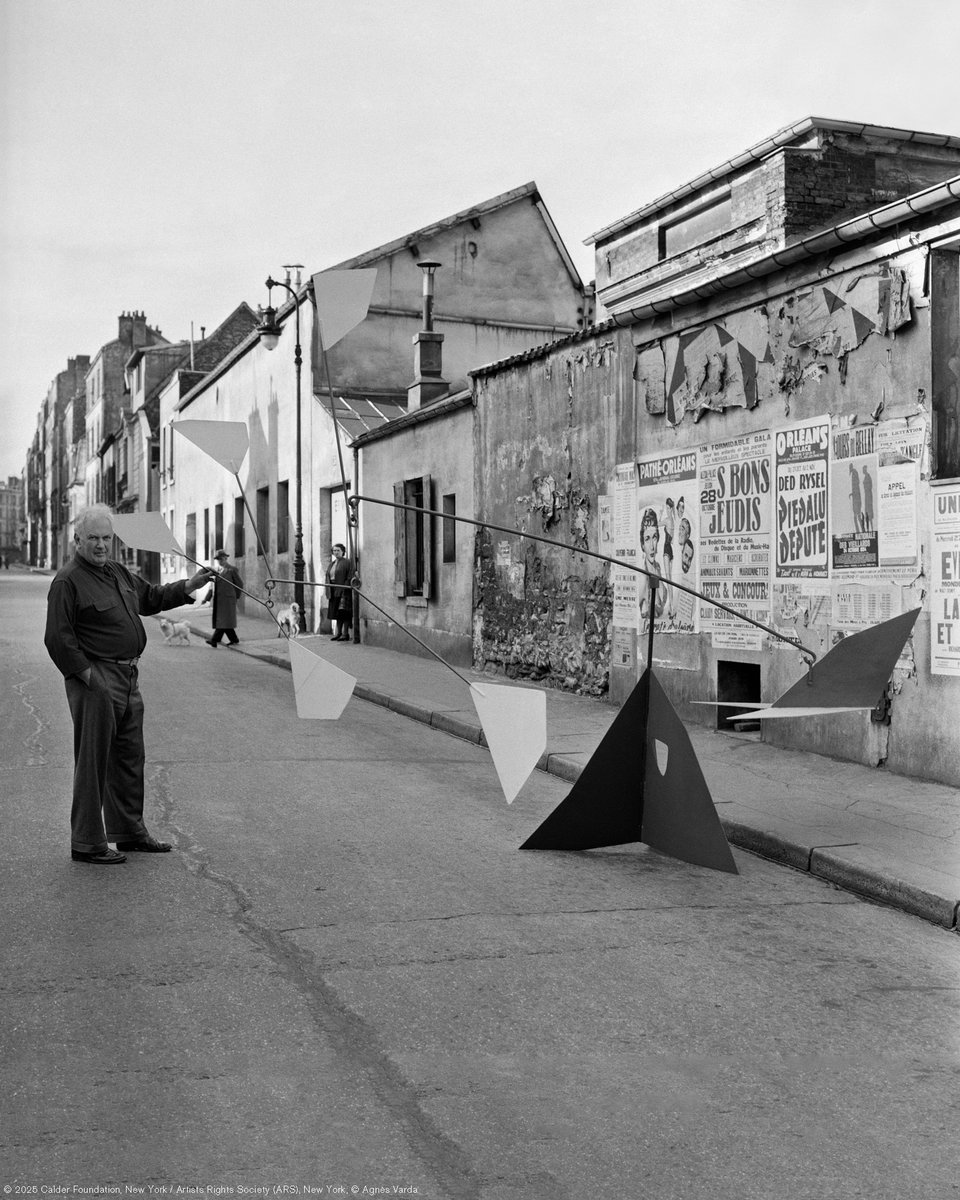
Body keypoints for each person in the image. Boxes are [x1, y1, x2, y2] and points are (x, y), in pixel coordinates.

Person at [44, 504, 214, 865]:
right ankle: (87, 842)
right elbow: (58, 638)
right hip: (96, 680)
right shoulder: (67, 581)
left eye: (107, 538)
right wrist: (90, 679)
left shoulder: (118, 572)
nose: (101, 545)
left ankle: (129, 833)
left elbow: (150, 597)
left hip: (128, 676)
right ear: (78, 540)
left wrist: (188, 586)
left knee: (129, 757)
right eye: (93, 538)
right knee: (93, 762)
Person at [205, 549, 244, 647]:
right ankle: (234, 639)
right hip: (219, 601)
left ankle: (214, 640)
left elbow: (239, 584)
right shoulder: (216, 571)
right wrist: (207, 598)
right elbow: (212, 585)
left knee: (223, 621)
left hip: (228, 600)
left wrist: (236, 596)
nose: (220, 561)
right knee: (225, 622)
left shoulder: (232, 570)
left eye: (221, 559)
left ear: (226, 558)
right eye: (218, 559)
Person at [638, 507, 667, 630]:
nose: (652, 546)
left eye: (654, 537)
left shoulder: (658, 568)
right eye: (647, 539)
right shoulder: (643, 577)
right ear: (642, 545)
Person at [324, 543, 353, 641]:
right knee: (336, 612)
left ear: (343, 551)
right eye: (334, 551)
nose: (336, 552)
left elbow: (350, 576)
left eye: (338, 550)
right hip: (333, 590)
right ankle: (338, 633)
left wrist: (344, 587)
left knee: (344, 612)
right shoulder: (332, 564)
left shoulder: (347, 562)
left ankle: (345, 634)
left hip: (343, 590)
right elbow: (328, 576)